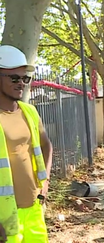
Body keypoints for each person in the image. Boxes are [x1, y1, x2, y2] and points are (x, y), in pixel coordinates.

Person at [0, 45, 53, 243]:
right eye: (14, 78)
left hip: (33, 209)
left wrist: (45, 182)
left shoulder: (29, 111)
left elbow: (46, 145)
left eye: (25, 78)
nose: (21, 83)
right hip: (4, 217)